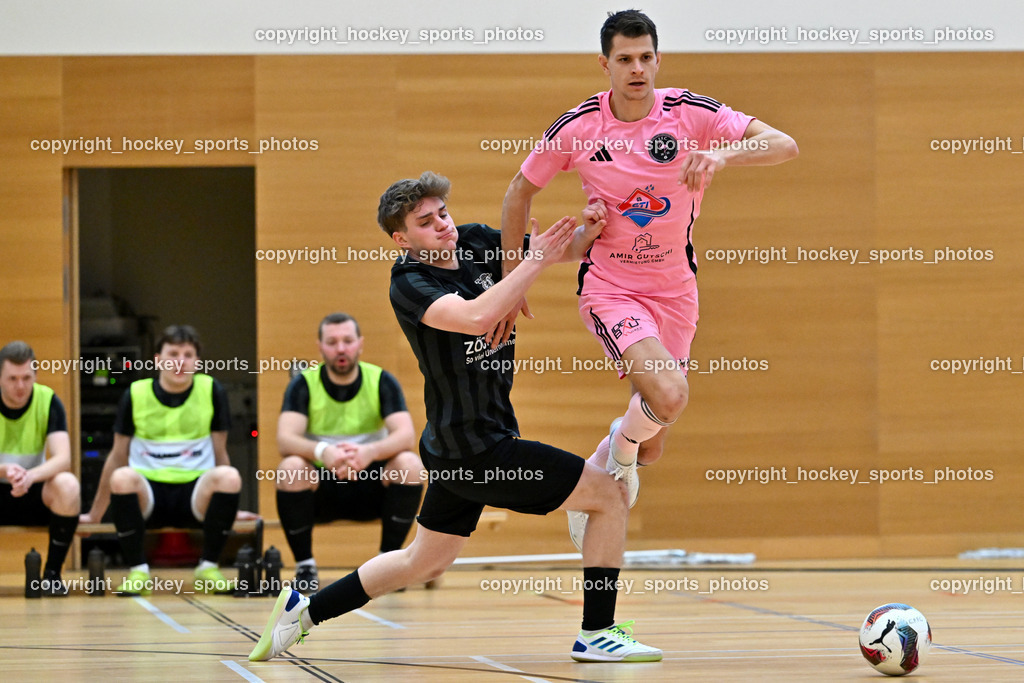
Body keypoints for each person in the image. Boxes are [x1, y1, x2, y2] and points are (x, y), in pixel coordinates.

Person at [250, 171, 661, 663]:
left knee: (421, 561)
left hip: (456, 444)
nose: (443, 225)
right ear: (402, 239)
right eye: (426, 222)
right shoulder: (409, 282)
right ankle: (597, 631)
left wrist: (587, 232)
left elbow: (562, 249)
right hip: (475, 447)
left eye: (442, 212)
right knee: (609, 494)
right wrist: (534, 262)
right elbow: (474, 317)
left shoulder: (476, 241)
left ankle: (305, 612)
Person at [499, 10, 799, 541]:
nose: (637, 68)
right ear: (605, 64)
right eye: (625, 59)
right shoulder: (580, 127)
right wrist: (508, 281)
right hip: (611, 288)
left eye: (645, 57)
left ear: (657, 59)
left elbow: (783, 144)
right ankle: (609, 459)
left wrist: (722, 155)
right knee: (670, 391)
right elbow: (519, 191)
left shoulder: (688, 113)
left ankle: (618, 447)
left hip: (677, 292)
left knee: (656, 432)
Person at [81, 325, 241, 595]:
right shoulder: (135, 393)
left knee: (230, 476)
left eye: (188, 354)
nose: (180, 361)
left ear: (197, 362)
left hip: (194, 494)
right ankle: (138, 572)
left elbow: (220, 453)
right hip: (149, 496)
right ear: (157, 359)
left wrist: (230, 508)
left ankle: (208, 568)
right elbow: (117, 456)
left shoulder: (212, 390)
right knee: (121, 476)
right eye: (173, 353)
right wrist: (94, 515)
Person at [274, 312, 424, 593]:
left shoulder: (381, 381)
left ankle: (387, 564)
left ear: (360, 344)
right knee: (290, 467)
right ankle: (305, 566)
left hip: (371, 487)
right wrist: (323, 451)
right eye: (332, 342)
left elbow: (406, 435)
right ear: (320, 346)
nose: (340, 348)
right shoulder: (303, 383)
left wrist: (369, 452)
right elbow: (285, 438)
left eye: (347, 341)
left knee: (410, 464)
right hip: (323, 490)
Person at [0, 341, 80, 596]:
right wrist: (4, 471)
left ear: (35, 375)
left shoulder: (48, 401)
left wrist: (29, 476)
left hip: (32, 490)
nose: (20, 386)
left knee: (68, 485)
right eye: (12, 378)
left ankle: (52, 575)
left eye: (26, 378)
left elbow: (63, 457)